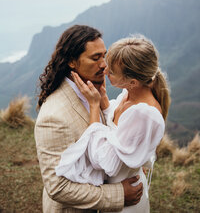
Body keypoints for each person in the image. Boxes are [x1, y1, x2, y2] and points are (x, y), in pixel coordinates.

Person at [55, 35, 171, 213]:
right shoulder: (130, 94)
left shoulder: (144, 114)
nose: (105, 70)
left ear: (132, 82)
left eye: (112, 72)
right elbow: (120, 129)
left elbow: (103, 162)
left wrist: (94, 106)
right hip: (117, 190)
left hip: (126, 202)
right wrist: (105, 102)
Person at [35, 25, 143, 213]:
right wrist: (118, 193)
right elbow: (58, 187)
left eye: (104, 56)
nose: (104, 65)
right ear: (72, 62)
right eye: (95, 58)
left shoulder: (91, 92)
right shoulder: (53, 117)